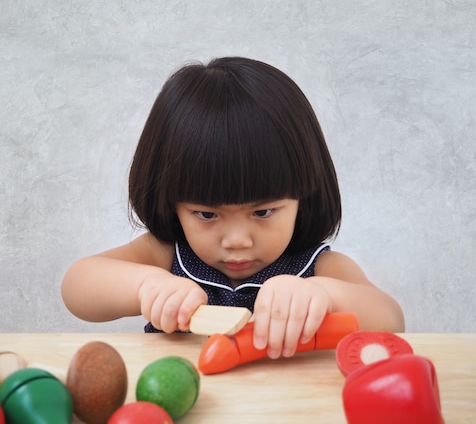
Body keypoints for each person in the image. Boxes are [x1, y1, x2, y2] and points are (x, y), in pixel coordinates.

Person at [62, 56, 404, 359]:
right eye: (207, 215)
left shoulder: (318, 267)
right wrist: (145, 286)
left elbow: (392, 320)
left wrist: (324, 294)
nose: (237, 240)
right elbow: (77, 287)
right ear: (172, 204)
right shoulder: (167, 257)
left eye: (263, 212)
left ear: (304, 197)